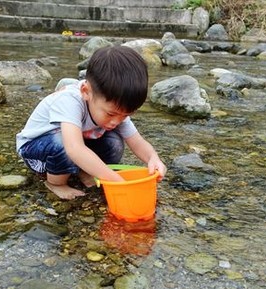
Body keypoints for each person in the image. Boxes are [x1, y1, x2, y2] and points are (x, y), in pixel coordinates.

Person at [16, 45, 167, 199]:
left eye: (126, 115)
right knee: (62, 143)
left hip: (72, 145)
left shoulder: (116, 111)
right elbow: (74, 148)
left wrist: (153, 158)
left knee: (114, 142)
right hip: (35, 151)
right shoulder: (70, 101)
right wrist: (115, 180)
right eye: (111, 114)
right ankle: (56, 183)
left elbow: (137, 141)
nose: (117, 121)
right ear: (86, 92)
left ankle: (85, 170)